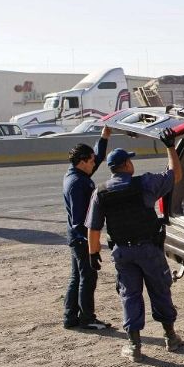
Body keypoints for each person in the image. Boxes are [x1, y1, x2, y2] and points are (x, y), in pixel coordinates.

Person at [85, 129, 184, 362]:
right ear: (127, 164)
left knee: (129, 296)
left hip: (123, 253)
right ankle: (170, 337)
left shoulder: (100, 192)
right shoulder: (145, 183)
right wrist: (170, 146)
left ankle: (134, 345)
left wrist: (93, 253)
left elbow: (93, 227)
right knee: (160, 290)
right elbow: (175, 175)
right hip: (148, 249)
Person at [62, 126, 112, 330]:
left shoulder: (76, 174)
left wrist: (104, 137)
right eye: (91, 161)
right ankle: (87, 318)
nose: (95, 164)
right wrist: (92, 244)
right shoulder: (77, 184)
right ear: (82, 162)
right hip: (81, 238)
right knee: (88, 277)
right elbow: (79, 220)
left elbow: (97, 156)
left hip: (76, 237)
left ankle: (70, 317)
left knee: (77, 277)